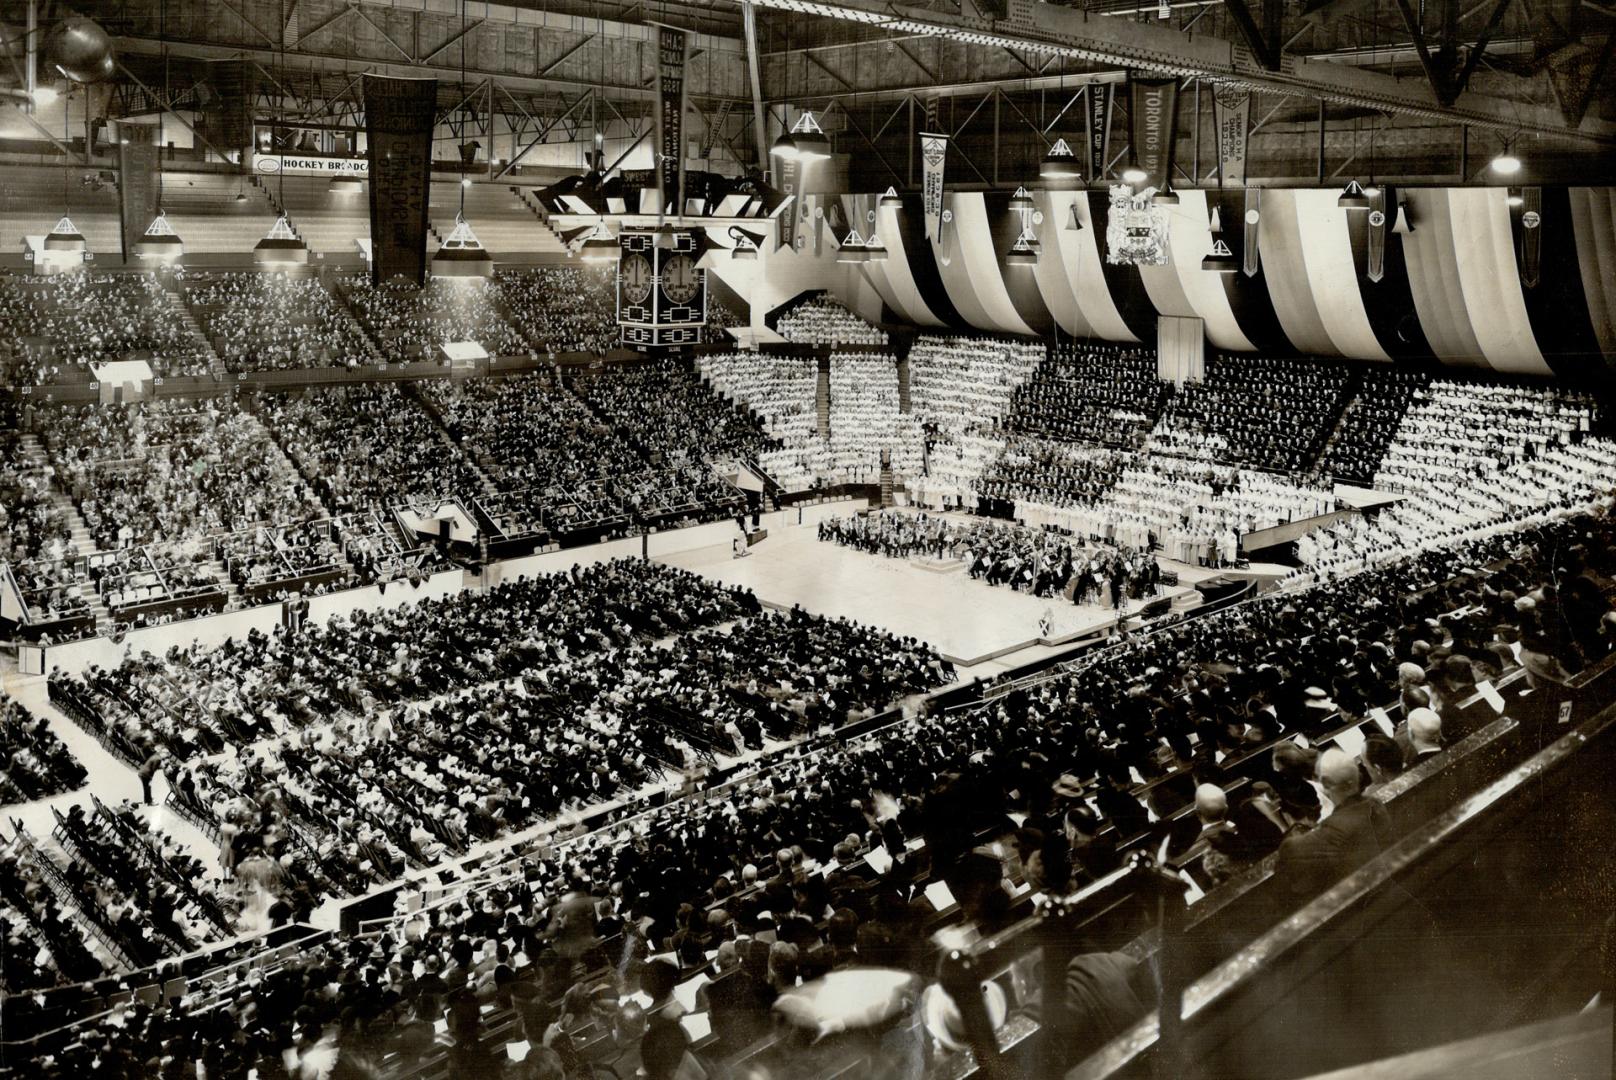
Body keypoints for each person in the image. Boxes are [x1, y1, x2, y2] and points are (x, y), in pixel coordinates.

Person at [1275, 749, 1392, 897]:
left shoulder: (1335, 828)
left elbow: (1291, 850)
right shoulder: (1375, 804)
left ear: (1325, 782)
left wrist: (1293, 831)